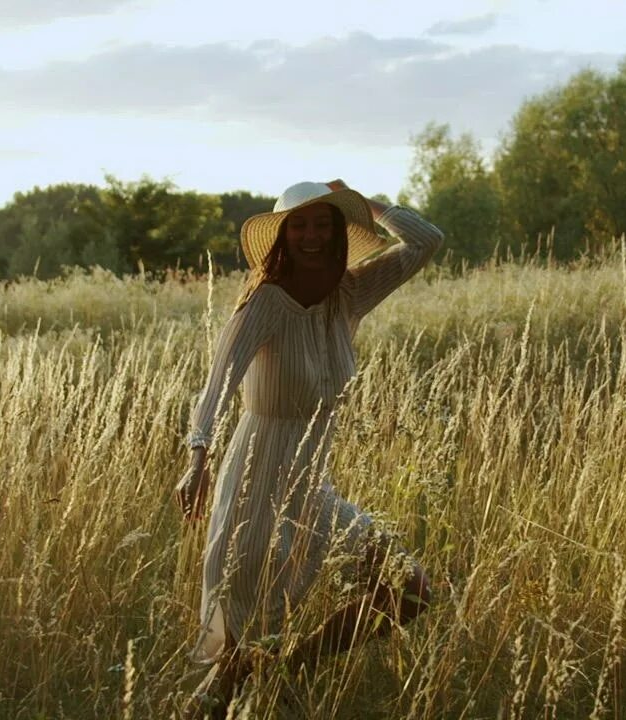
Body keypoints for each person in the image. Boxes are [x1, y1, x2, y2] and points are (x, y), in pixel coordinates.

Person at [176, 179, 442, 711]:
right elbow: (218, 384)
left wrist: (358, 198)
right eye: (300, 225)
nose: (313, 235)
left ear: (340, 232)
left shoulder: (350, 292)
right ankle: (232, 691)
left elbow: (426, 241)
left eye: (324, 223)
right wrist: (198, 459)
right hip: (255, 489)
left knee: (411, 589)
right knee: (245, 635)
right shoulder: (265, 303)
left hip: (312, 490)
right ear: (283, 235)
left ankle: (286, 666)